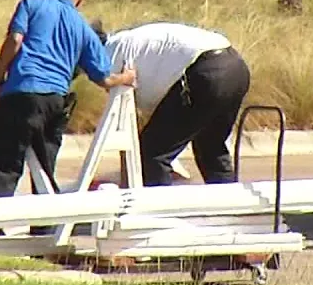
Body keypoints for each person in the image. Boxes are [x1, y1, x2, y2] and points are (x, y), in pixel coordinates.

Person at [0, 0, 136, 198]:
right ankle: (44, 227)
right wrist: (127, 77)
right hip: (55, 101)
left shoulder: (32, 3)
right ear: (80, 0)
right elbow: (104, 79)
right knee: (45, 170)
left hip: (21, 92)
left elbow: (15, 40)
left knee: (4, 166)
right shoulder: (83, 28)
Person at [97, 21, 251, 186]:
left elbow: (125, 120)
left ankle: (160, 210)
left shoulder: (109, 54)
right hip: (236, 68)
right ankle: (227, 203)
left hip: (206, 72)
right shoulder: (129, 41)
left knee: (152, 154)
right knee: (211, 148)